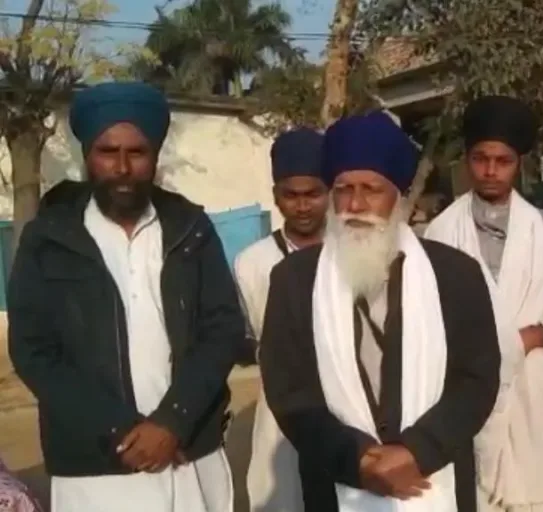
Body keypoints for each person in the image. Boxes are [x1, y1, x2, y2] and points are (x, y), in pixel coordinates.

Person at [7, 82, 243, 511]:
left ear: (155, 155)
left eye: (136, 152)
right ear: (87, 156)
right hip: (95, 469)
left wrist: (172, 422)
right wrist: (120, 431)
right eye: (107, 151)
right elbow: (34, 350)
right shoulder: (48, 239)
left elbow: (221, 329)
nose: (121, 167)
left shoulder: (191, 228)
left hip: (188, 455)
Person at [258, 111, 501, 511]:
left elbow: (476, 380)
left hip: (432, 473)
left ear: (398, 196)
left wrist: (417, 451)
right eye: (343, 189)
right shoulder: (293, 279)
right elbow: (289, 391)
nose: (356, 204)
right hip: (334, 480)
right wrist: (357, 459)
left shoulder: (455, 274)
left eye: (371, 189)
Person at [425, 95, 543, 512]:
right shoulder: (440, 233)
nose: (491, 171)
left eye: (503, 161)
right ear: (467, 160)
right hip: (469, 395)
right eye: (481, 159)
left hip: (538, 397)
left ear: (519, 164)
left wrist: (540, 334)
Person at [235, 127, 328, 512]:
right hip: (282, 412)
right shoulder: (252, 263)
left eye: (313, 194)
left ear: (329, 191)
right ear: (276, 196)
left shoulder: (354, 251)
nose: (302, 206)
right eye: (291, 195)